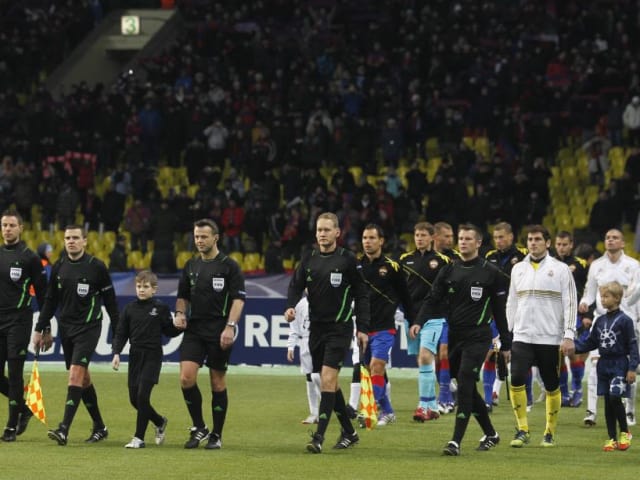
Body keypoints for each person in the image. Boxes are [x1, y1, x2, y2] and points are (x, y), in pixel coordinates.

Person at [414, 223, 511, 456]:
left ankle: (455, 441)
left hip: (479, 336)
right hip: (455, 335)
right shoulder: (449, 270)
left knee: (466, 379)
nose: (463, 242)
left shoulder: (491, 273)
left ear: (478, 243)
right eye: (461, 238)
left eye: (469, 238)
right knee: (465, 386)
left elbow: (500, 311)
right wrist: (419, 320)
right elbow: (432, 298)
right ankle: (491, 433)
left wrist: (505, 343)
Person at [285, 212, 370, 454]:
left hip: (339, 328)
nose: (322, 234)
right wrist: (290, 306)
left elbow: (362, 294)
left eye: (326, 230)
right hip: (316, 329)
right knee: (326, 381)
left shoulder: (347, 260)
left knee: (329, 379)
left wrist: (362, 327)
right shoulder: (309, 259)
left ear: (337, 233)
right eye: (319, 230)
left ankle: (319, 437)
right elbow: (295, 286)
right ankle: (349, 432)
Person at [33, 224, 120, 446]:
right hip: (66, 329)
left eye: (75, 238)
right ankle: (100, 427)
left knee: (74, 376)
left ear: (84, 241)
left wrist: (120, 333)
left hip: (89, 328)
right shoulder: (60, 266)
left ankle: (63, 429)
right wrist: (40, 328)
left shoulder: (96, 267)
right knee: (83, 379)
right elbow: (51, 300)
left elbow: (110, 302)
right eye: (67, 238)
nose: (71, 241)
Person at [173, 218, 246, 450]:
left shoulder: (229, 266)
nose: (199, 240)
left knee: (217, 381)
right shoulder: (191, 266)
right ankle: (199, 426)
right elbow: (182, 296)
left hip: (219, 329)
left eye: (204, 236)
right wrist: (180, 313)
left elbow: (238, 299)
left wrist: (230, 326)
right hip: (195, 329)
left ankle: (216, 434)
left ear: (216, 238)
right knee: (186, 378)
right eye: (196, 236)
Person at [506, 225, 577, 448]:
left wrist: (568, 334)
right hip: (522, 335)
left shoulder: (561, 269)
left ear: (547, 243)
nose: (533, 243)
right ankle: (522, 429)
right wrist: (507, 334)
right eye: (529, 239)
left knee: (551, 384)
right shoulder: (518, 269)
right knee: (516, 377)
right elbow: (511, 302)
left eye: (537, 239)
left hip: (550, 337)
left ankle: (549, 432)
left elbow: (570, 303)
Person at [112, 270, 181, 448]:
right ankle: (159, 421)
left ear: (154, 289)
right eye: (139, 286)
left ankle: (138, 438)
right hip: (135, 356)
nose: (141, 290)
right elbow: (121, 333)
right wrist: (116, 352)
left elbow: (169, 331)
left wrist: (180, 327)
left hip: (153, 356)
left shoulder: (161, 308)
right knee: (134, 399)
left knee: (142, 396)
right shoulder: (129, 309)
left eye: (145, 287)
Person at [579, 229, 640, 427]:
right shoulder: (597, 266)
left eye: (615, 238)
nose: (610, 240)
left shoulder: (633, 265)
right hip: (602, 323)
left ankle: (629, 411)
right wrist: (584, 303)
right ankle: (591, 412)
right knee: (596, 367)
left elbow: (637, 292)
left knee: (631, 369)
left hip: (627, 321)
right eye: (607, 237)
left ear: (623, 243)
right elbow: (589, 292)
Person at [359, 223, 413, 427]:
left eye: (372, 238)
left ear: (381, 241)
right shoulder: (356, 267)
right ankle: (388, 411)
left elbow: (406, 297)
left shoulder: (392, 267)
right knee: (370, 370)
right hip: (363, 328)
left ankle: (369, 410)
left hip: (385, 327)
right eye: (365, 238)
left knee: (376, 366)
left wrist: (413, 321)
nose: (368, 242)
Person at [0, 210, 47, 441]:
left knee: (16, 372)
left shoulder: (30, 258)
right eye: (4, 225)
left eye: (11, 225)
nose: (7, 229)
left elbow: (43, 294)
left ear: (20, 228)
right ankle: (25, 410)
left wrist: (44, 327)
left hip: (19, 321)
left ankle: (10, 427)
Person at [574, 281, 638, 452]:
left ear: (617, 298)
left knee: (615, 397)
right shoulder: (600, 320)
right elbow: (591, 342)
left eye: (606, 296)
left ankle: (625, 432)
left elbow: (633, 346)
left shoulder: (626, 320)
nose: (602, 300)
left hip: (619, 364)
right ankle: (611, 438)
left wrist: (632, 368)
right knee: (608, 403)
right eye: (601, 296)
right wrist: (574, 347)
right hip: (604, 364)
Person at [399, 221, 450, 421]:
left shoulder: (442, 261)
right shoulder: (405, 260)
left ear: (432, 238)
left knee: (426, 356)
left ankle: (423, 405)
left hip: (434, 317)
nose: (419, 238)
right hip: (411, 319)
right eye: (416, 235)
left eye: (423, 235)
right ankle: (433, 405)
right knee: (422, 361)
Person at [483, 222, 527, 410]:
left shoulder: (523, 256)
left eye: (502, 237)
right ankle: (488, 398)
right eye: (496, 238)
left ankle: (527, 398)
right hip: (495, 313)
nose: (498, 241)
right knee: (490, 354)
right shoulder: (489, 257)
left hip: (519, 312)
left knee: (516, 356)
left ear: (511, 237)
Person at [552, 231, 589, 407]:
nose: (561, 247)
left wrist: (587, 314)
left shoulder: (580, 264)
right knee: (558, 356)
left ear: (571, 245)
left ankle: (577, 390)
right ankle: (565, 394)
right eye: (558, 244)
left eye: (564, 244)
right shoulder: (549, 263)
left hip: (573, 314)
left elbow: (589, 289)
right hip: (554, 314)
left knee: (572, 353)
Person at [432, 221, 459, 412]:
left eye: (452, 236)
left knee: (444, 352)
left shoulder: (456, 258)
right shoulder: (427, 259)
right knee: (433, 358)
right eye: (447, 236)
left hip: (451, 314)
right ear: (436, 237)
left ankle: (444, 399)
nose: (451, 240)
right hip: (431, 314)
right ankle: (449, 390)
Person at [286, 295, 321, 424]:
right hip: (305, 343)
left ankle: (326, 407)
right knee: (309, 377)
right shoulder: (300, 304)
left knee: (318, 375)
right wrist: (290, 346)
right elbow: (294, 328)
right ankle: (314, 413)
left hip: (320, 340)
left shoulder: (323, 298)